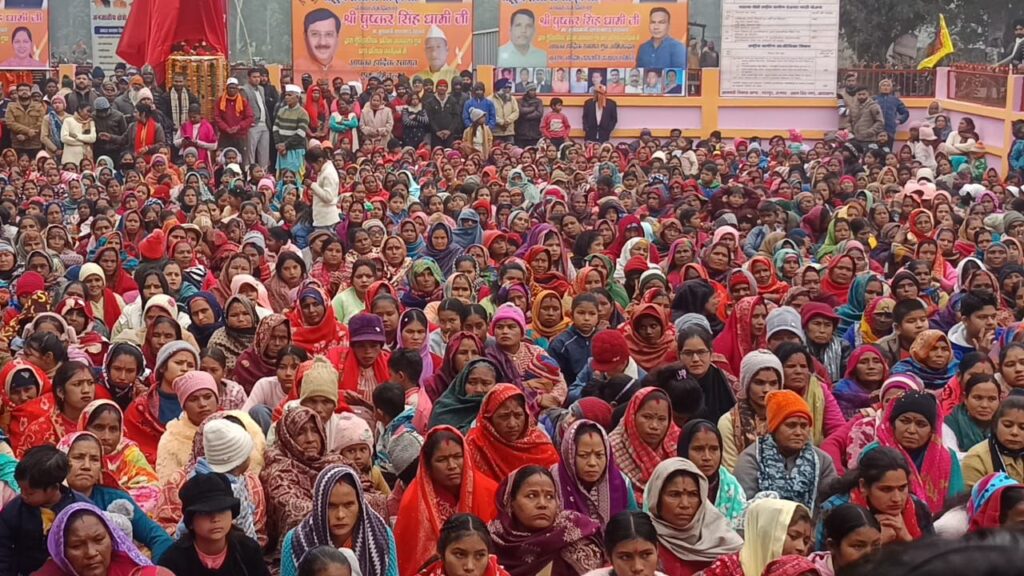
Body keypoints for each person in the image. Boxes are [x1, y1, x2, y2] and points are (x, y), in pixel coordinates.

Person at [394, 426, 499, 576]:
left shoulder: (490, 491)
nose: (452, 466)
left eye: (457, 457)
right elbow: (409, 560)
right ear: (428, 464)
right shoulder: (414, 501)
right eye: (441, 460)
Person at [280, 464, 398, 576]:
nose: (340, 515)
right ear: (319, 507)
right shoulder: (296, 542)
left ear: (360, 505)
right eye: (331, 506)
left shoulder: (381, 537)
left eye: (348, 505)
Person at [488, 465, 605, 576]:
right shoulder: (492, 540)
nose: (543, 504)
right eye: (531, 496)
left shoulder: (574, 535)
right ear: (510, 502)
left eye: (550, 496)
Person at [733, 390, 838, 511]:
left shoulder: (822, 460)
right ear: (774, 427)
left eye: (804, 426)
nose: (798, 432)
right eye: (791, 425)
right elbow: (744, 506)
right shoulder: (751, 458)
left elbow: (831, 505)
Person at [817, 446, 933, 550]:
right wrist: (876, 543)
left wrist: (906, 538)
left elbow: (934, 560)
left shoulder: (918, 508)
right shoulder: (834, 510)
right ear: (863, 486)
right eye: (886, 489)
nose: (897, 499)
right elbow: (823, 562)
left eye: (902, 488)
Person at [642, 458, 743, 575]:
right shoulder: (645, 539)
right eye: (674, 495)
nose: (685, 504)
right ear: (656, 498)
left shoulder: (725, 540)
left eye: (693, 494)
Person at [157, 472, 270, 576]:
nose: (215, 519)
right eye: (205, 512)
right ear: (190, 521)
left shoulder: (247, 550)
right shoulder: (173, 562)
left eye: (222, 510)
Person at [464, 384, 560, 483]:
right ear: (489, 418)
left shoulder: (540, 445)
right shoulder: (476, 442)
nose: (512, 424)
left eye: (518, 415)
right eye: (504, 416)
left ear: (526, 415)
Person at [35, 502, 154, 576]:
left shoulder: (135, 572)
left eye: (99, 540)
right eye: (76, 546)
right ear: (61, 553)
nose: (91, 553)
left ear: (112, 540)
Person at [700, 498, 813, 576]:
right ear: (767, 534)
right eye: (793, 536)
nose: (801, 548)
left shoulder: (804, 573)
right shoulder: (725, 570)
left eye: (806, 541)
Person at [609, 387, 680, 500]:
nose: (654, 426)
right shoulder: (612, 449)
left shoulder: (676, 443)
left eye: (662, 419)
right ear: (632, 416)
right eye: (647, 417)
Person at [677, 419, 747, 527]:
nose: (707, 457)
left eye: (714, 449)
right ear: (684, 450)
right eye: (698, 449)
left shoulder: (731, 487)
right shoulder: (669, 481)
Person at [962, 395, 1024, 486]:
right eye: (1007, 425)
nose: (1014, 432)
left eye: (1022, 428)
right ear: (995, 425)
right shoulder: (977, 457)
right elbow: (971, 494)